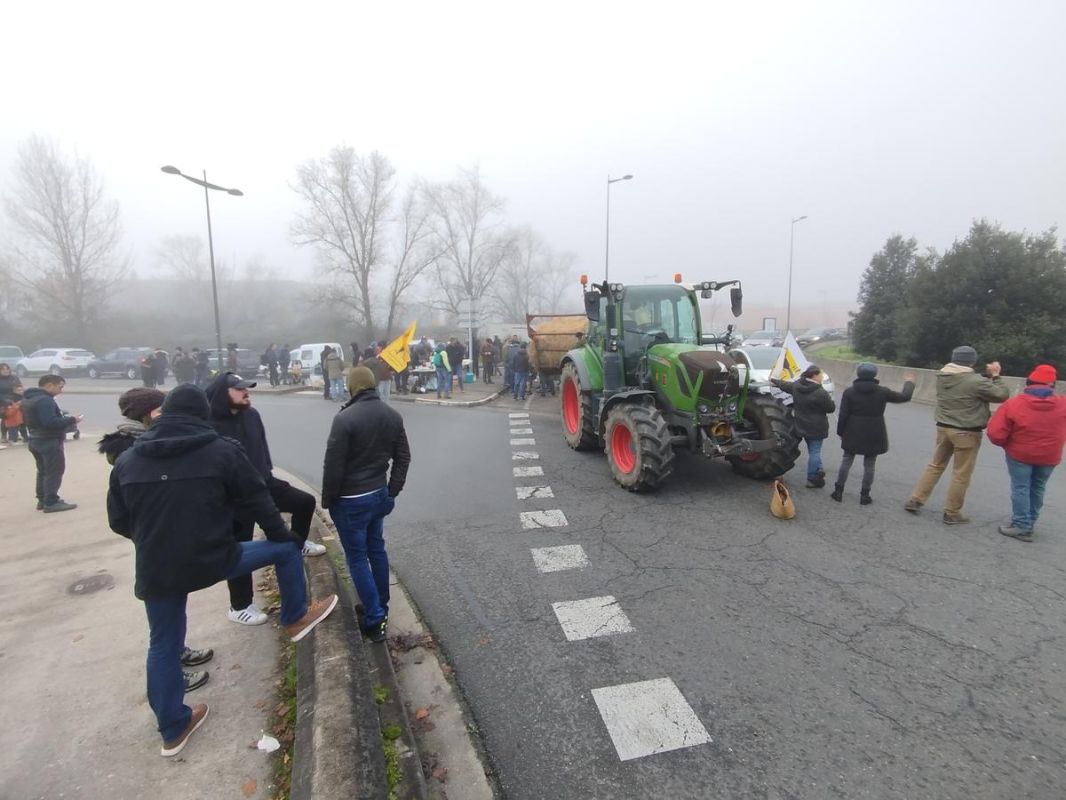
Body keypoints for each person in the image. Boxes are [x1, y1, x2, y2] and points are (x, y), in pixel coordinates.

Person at [107, 383, 338, 757]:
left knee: (163, 644)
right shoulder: (221, 452)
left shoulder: (128, 461)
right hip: (215, 557)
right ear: (202, 414)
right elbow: (260, 501)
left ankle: (173, 728)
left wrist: (157, 540)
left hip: (158, 566)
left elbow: (118, 520)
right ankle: (295, 618)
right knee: (284, 550)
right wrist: (286, 537)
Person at [98, 387, 214, 693]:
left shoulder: (144, 441)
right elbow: (120, 515)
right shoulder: (133, 450)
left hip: (165, 542)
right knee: (162, 628)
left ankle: (179, 652)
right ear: (151, 412)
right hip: (158, 547)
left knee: (174, 609)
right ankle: (172, 681)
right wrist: (151, 536)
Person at [205, 372, 327, 627]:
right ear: (222, 394)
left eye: (246, 388)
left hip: (263, 483)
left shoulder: (252, 415)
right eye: (239, 390)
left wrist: (268, 473)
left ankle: (298, 543)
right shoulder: (209, 424)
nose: (246, 392)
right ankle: (239, 606)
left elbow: (261, 447)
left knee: (304, 502)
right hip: (233, 498)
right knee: (240, 546)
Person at [322, 367, 410, 643]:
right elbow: (403, 458)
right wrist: (391, 492)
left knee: (357, 557)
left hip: (350, 500)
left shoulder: (345, 419)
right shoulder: (392, 416)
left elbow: (333, 466)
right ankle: (380, 605)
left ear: (352, 387)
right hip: (377, 494)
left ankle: (374, 619)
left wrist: (328, 500)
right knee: (376, 550)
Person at [904, 345, 1009, 524]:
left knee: (936, 465)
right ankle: (952, 512)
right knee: (961, 473)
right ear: (972, 361)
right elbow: (1001, 395)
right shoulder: (976, 381)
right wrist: (996, 375)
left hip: (944, 427)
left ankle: (916, 499)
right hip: (967, 430)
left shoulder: (943, 376)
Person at [986, 364, 1066, 541]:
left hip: (1020, 453)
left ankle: (1022, 524)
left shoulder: (1014, 403)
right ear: (1052, 385)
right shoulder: (1063, 404)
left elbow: (995, 433)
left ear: (1029, 382)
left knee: (1021, 487)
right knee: (1038, 487)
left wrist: (1007, 444)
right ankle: (1030, 521)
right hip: (1050, 456)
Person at [831, 363, 914, 504]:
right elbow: (904, 397)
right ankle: (865, 495)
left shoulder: (849, 392)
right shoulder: (882, 392)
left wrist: (841, 432)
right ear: (874, 375)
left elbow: (843, 414)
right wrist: (909, 382)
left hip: (853, 429)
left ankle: (838, 491)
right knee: (870, 464)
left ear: (858, 374)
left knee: (847, 460)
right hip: (874, 430)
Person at [770, 365, 836, 488]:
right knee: (815, 452)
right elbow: (831, 409)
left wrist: (774, 380)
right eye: (820, 374)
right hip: (816, 427)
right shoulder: (820, 392)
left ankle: (817, 470)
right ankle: (812, 478)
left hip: (799, 425)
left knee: (800, 449)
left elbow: (785, 386)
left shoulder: (796, 386)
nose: (822, 377)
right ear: (815, 376)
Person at [22, 375, 81, 512]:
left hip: (35, 439)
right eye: (59, 387)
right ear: (49, 385)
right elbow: (50, 422)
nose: (61, 390)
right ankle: (51, 501)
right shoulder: (45, 401)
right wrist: (72, 420)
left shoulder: (29, 398)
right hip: (48, 440)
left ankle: (42, 499)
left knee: (43, 471)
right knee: (54, 471)